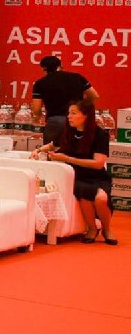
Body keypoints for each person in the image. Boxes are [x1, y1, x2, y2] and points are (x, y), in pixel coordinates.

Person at [38, 99, 114, 244]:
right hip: (76, 176)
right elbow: (53, 145)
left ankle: (107, 229)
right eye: (69, 113)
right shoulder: (68, 131)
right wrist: (39, 150)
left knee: (101, 199)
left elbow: (98, 164)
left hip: (96, 176)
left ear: (86, 115)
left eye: (73, 113)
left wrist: (67, 158)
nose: (69, 117)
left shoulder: (100, 135)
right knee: (85, 196)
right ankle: (92, 229)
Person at [30, 55, 94, 146]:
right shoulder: (77, 77)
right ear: (60, 66)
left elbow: (36, 109)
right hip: (78, 121)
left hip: (56, 123)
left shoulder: (40, 83)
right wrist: (83, 108)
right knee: (77, 150)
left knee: (51, 151)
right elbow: (94, 95)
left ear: (43, 68)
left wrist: (37, 117)